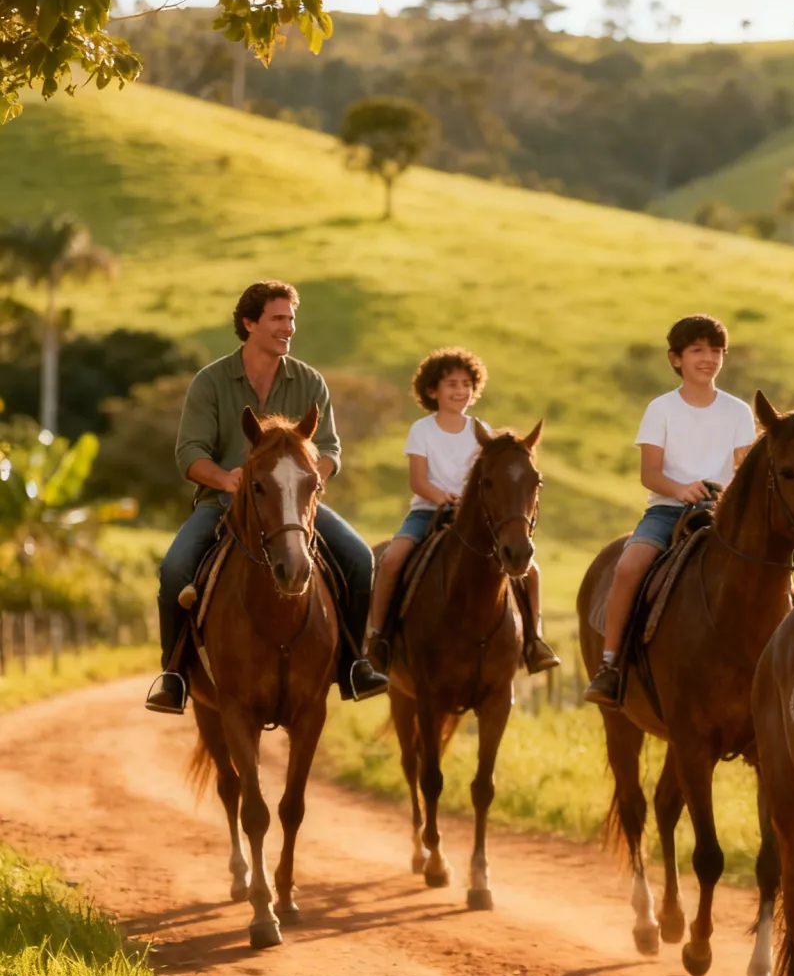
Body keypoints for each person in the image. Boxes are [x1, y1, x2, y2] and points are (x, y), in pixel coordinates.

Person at [145, 280, 388, 713]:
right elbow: (190, 453)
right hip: (222, 501)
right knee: (174, 567)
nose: (288, 328)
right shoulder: (211, 381)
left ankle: (354, 664)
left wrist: (308, 481)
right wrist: (227, 479)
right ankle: (174, 675)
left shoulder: (310, 382)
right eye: (278, 319)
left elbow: (329, 450)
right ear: (249, 323)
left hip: (293, 505)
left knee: (359, 558)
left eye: (291, 319)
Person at [584, 314, 755, 708]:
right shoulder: (661, 410)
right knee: (628, 568)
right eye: (698, 350)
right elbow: (649, 473)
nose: (708, 359)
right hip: (667, 511)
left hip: (721, 514)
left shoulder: (737, 412)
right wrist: (681, 489)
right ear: (675, 359)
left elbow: (742, 471)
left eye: (716, 351)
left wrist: (723, 495)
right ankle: (610, 665)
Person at [365, 347, 559, 675]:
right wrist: (441, 497)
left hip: (473, 517)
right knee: (391, 560)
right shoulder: (422, 431)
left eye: (467, 384)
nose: (460, 391)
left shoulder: (481, 431)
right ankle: (377, 638)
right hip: (427, 511)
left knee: (533, 572)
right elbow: (417, 480)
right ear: (432, 391)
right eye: (452, 384)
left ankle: (534, 641)